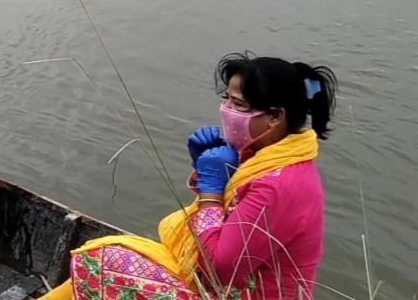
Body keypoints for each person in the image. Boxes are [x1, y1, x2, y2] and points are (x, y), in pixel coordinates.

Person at [41, 52, 337, 300]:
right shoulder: (267, 157)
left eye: (239, 105)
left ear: (275, 116)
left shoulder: (279, 183)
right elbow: (234, 220)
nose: (227, 111)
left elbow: (218, 267)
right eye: (227, 99)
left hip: (241, 292)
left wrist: (211, 191)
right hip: (232, 287)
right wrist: (208, 173)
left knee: (103, 259)